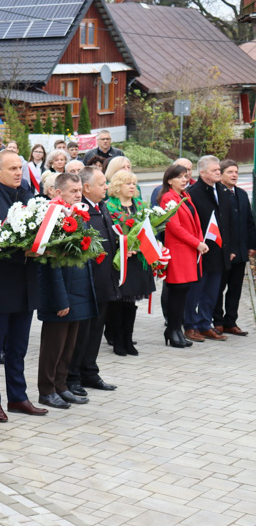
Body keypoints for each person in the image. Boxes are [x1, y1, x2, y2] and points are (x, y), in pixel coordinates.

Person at [0, 150, 48, 423]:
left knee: (18, 347)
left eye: (21, 167)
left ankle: (18, 397)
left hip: (27, 286)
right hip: (0, 287)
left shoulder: (30, 198)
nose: (18, 172)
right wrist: (24, 253)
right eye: (13, 168)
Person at [35, 173, 97, 409]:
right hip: (61, 295)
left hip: (77, 290)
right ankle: (46, 389)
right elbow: (51, 264)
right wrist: (60, 299)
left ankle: (61, 385)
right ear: (57, 192)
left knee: (68, 346)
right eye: (73, 191)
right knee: (53, 346)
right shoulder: (52, 218)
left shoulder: (77, 215)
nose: (78, 194)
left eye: (80, 190)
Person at [67, 166, 120, 397]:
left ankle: (90, 370)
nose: (106, 187)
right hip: (87, 284)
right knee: (82, 333)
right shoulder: (80, 212)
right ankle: (73, 375)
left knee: (97, 330)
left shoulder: (102, 207)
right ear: (86, 187)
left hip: (104, 282)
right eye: (102, 184)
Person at [105, 170, 155, 356]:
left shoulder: (140, 206)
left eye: (134, 183)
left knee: (132, 301)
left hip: (138, 260)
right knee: (118, 302)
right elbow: (109, 234)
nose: (132, 186)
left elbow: (149, 228)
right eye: (128, 183)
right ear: (118, 186)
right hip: (120, 260)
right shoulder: (109, 207)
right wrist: (123, 246)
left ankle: (128, 338)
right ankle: (118, 340)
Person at [183, 156, 233, 342]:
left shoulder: (223, 190)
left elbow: (228, 223)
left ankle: (205, 324)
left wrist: (230, 248)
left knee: (212, 291)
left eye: (219, 169)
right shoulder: (192, 193)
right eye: (214, 170)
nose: (218, 173)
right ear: (202, 173)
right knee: (195, 290)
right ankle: (190, 325)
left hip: (220, 250)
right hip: (200, 250)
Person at [160, 164, 206, 347]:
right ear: (170, 180)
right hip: (179, 251)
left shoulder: (185, 196)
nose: (184, 180)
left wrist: (199, 240)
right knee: (177, 292)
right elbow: (175, 227)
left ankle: (176, 330)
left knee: (184, 292)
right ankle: (172, 330)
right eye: (179, 177)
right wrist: (197, 243)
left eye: (185, 176)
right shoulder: (167, 198)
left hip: (190, 250)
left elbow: (195, 222)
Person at [213, 160, 256, 336]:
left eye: (236, 172)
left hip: (241, 250)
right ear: (221, 174)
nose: (234, 175)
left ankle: (231, 321)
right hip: (224, 252)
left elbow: (249, 221)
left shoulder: (241, 194)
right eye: (230, 172)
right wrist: (226, 248)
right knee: (219, 287)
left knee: (236, 288)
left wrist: (252, 245)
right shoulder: (218, 195)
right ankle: (218, 321)